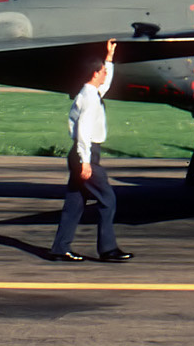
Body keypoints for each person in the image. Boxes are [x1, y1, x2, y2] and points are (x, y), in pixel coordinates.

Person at [48, 40, 132, 262]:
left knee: (74, 204)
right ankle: (108, 249)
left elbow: (106, 85)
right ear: (95, 74)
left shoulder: (91, 93)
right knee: (108, 199)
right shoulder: (90, 100)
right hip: (85, 154)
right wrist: (86, 162)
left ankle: (59, 248)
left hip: (81, 154)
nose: (106, 74)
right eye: (103, 71)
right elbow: (84, 132)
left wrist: (109, 58)